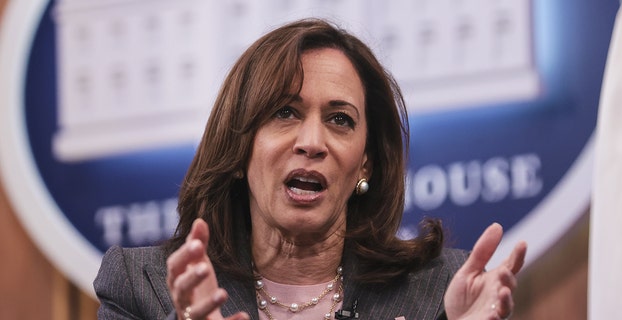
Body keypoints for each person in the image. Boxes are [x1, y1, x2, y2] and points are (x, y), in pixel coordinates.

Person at [94, 18, 527, 320]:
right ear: (240, 148)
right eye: (284, 112)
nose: (312, 142)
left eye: (340, 120)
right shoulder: (142, 286)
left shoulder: (442, 293)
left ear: (366, 163)